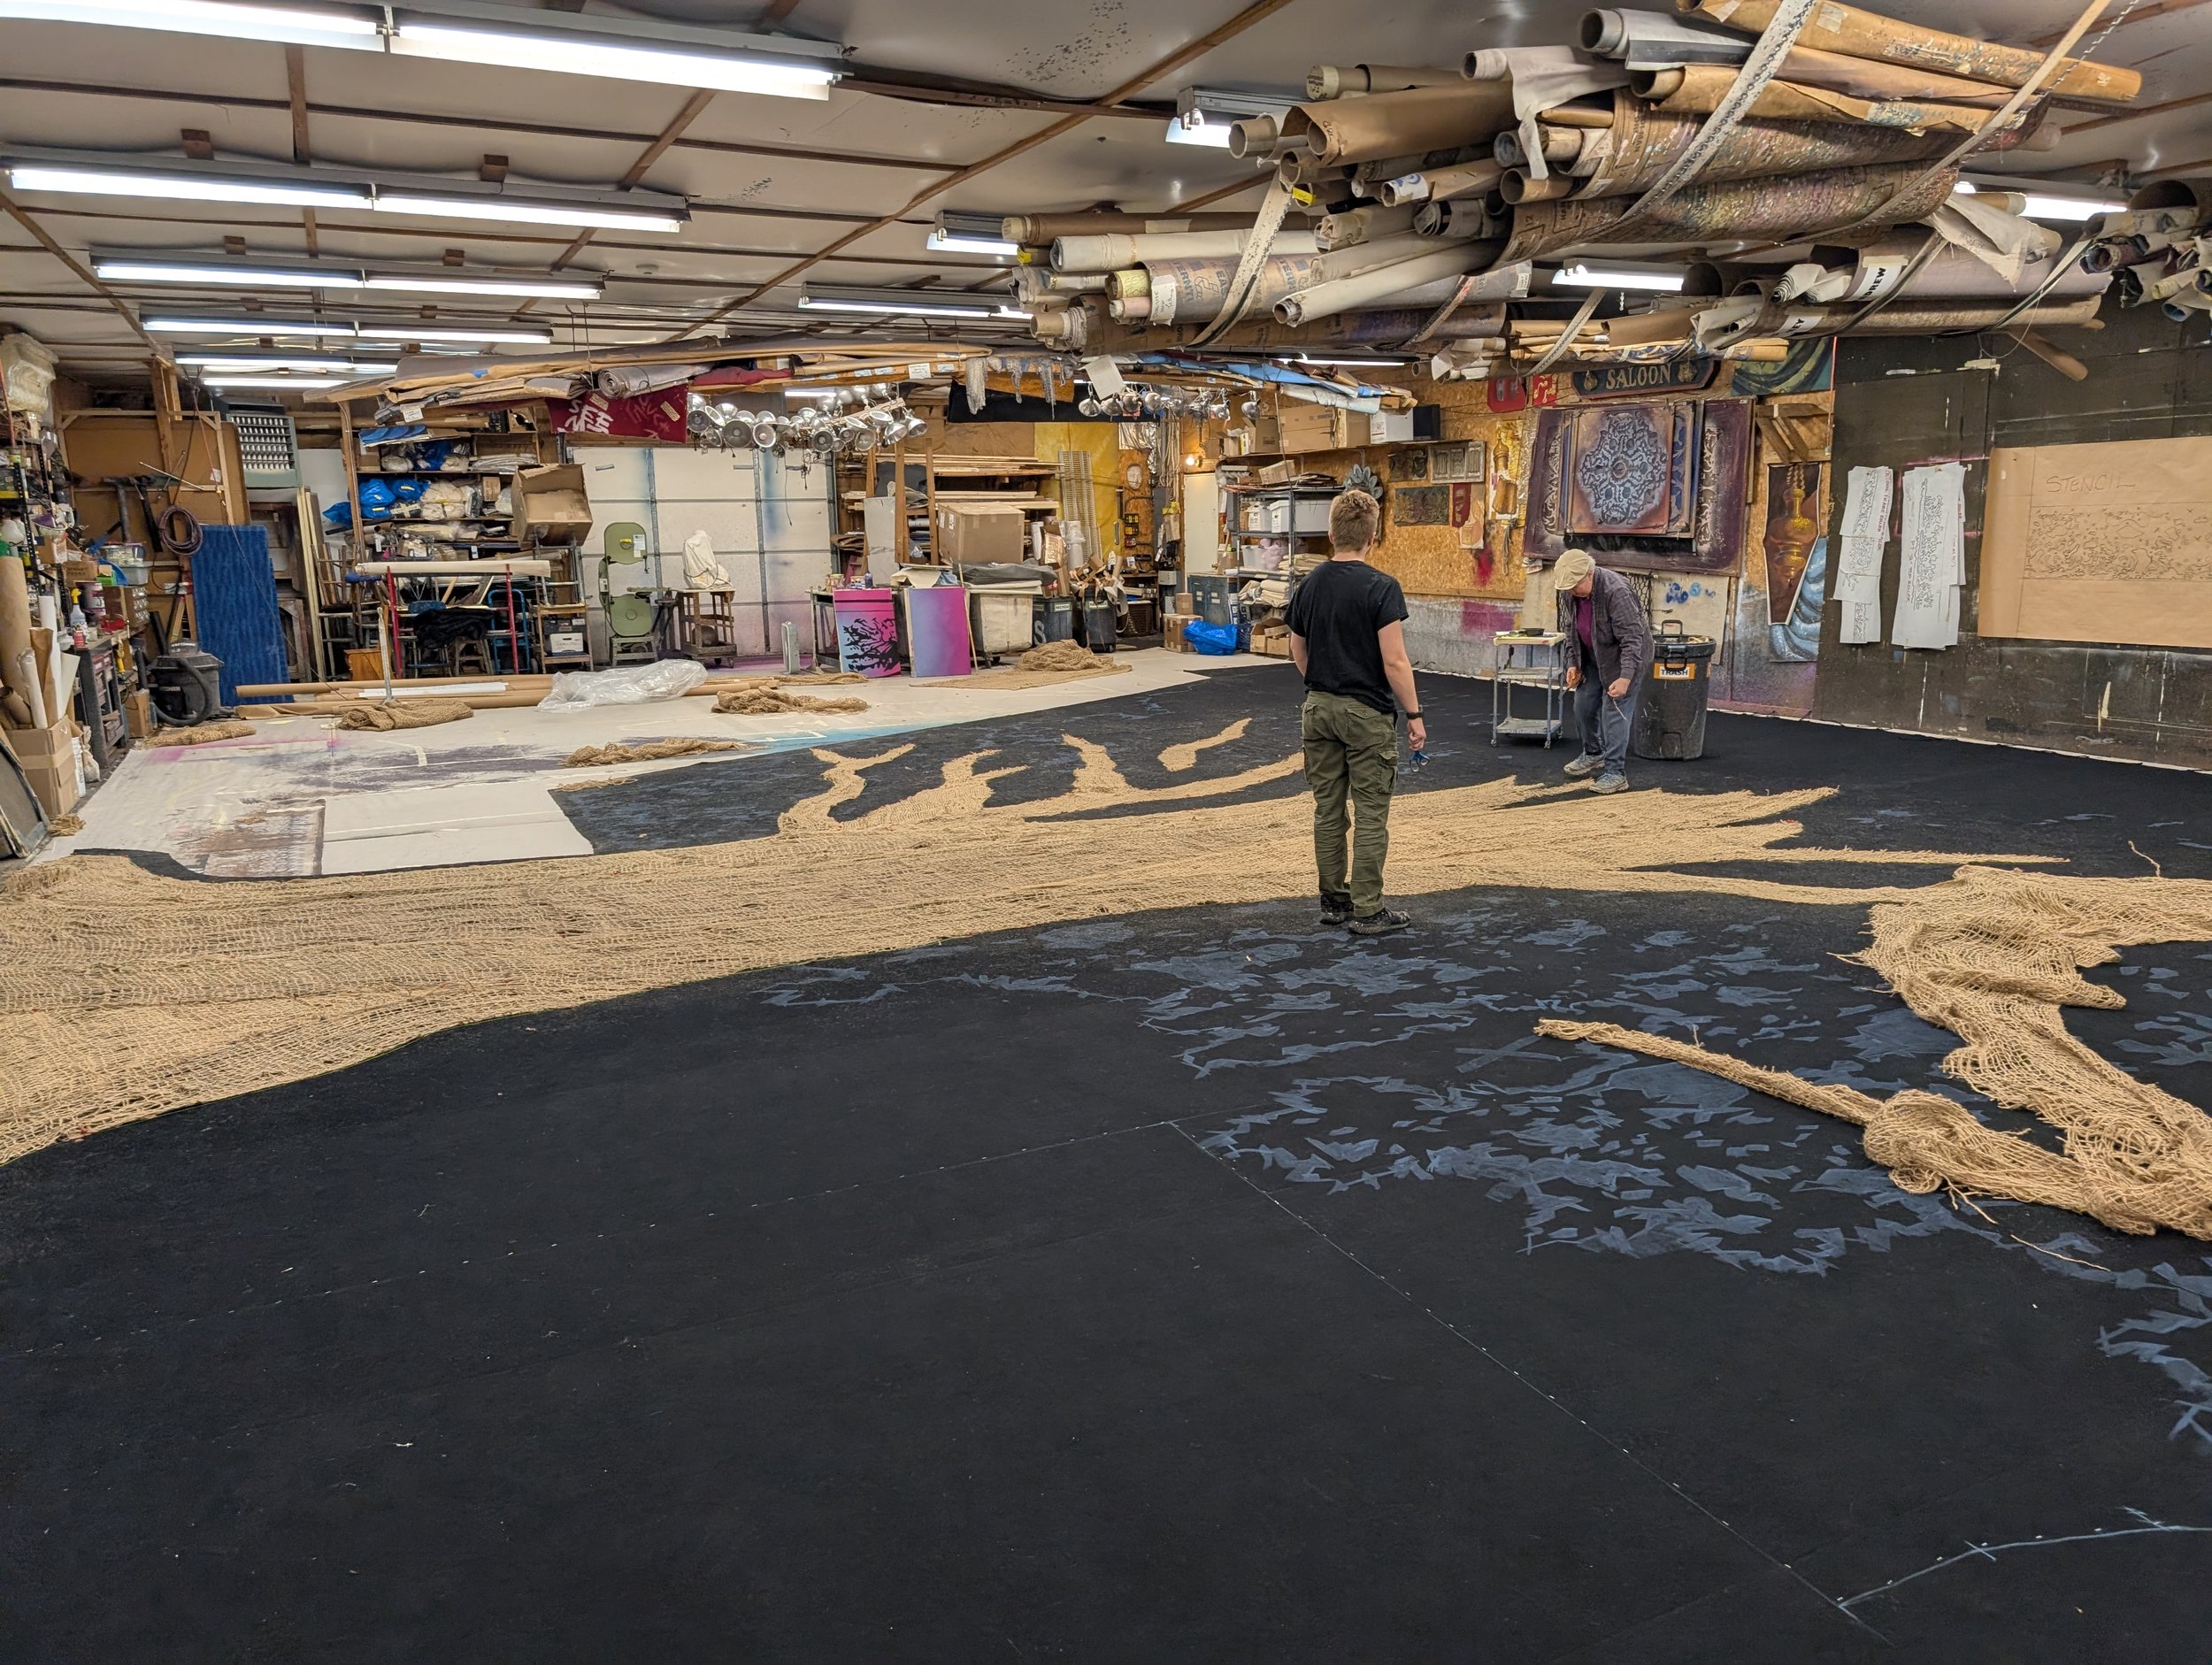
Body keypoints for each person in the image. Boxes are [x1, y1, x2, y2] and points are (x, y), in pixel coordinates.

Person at [1285, 488, 1425, 936]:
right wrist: (1415, 715)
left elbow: (1297, 648)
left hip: (1318, 708)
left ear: (1330, 534)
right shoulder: (1381, 587)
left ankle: (1333, 901)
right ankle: (1369, 909)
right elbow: (1395, 661)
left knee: (1327, 810)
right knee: (1370, 814)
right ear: (1373, 536)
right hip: (1366, 714)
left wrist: (1324, 684)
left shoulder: (1308, 585)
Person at [1551, 548, 1651, 794]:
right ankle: (1593, 753)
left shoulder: (1616, 591)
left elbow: (1632, 639)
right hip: (1593, 655)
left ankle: (1615, 773)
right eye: (1568, 588)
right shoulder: (1570, 593)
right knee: (1582, 705)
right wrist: (1572, 663)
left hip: (1624, 658)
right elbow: (1571, 628)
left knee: (1614, 710)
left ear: (1589, 575)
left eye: (1575, 586)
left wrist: (1626, 677)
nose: (1571, 591)